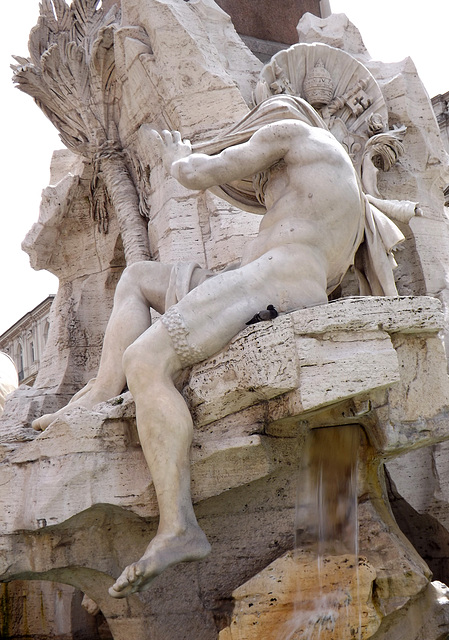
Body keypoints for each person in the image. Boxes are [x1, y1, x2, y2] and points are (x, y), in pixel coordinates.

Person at [31, 95, 398, 598]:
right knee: (137, 278)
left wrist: (177, 157)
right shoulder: (340, 202)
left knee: (146, 359)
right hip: (264, 281)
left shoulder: (291, 132)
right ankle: (98, 393)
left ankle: (178, 527)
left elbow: (203, 172)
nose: (264, 186)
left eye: (264, 177)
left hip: (275, 281)